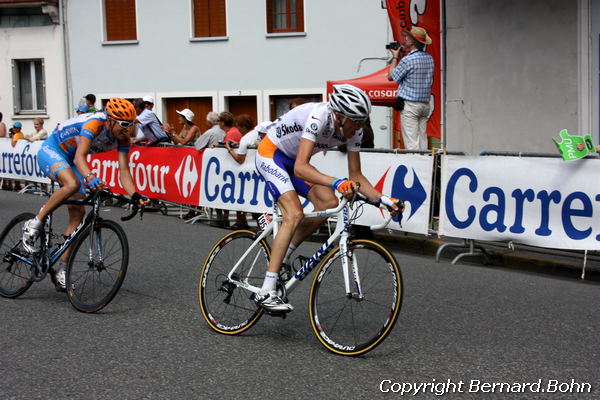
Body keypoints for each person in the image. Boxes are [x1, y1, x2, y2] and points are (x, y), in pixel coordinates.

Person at [252, 84, 401, 312]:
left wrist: (384, 200)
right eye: (356, 121)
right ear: (340, 117)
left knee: (329, 203)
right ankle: (266, 290)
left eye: (363, 121)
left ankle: (282, 256)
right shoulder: (319, 117)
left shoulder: (355, 131)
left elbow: (357, 175)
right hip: (271, 154)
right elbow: (302, 168)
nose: (360, 127)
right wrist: (337, 182)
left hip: (293, 162)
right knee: (293, 213)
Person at [21, 98, 149, 291]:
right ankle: (35, 223)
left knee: (78, 212)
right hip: (53, 150)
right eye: (123, 124)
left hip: (70, 160)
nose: (127, 130)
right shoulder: (93, 124)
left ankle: (60, 267)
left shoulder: (123, 138)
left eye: (130, 125)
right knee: (72, 184)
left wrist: (135, 196)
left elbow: (124, 171)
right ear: (110, 121)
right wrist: (90, 177)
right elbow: (80, 156)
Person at [387, 26, 434, 150]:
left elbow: (391, 77)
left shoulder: (408, 60)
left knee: (411, 142)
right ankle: (426, 165)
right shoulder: (430, 59)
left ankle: (416, 166)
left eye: (408, 37)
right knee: (422, 139)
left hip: (410, 105)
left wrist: (395, 57)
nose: (405, 38)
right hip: (425, 104)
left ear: (413, 41)